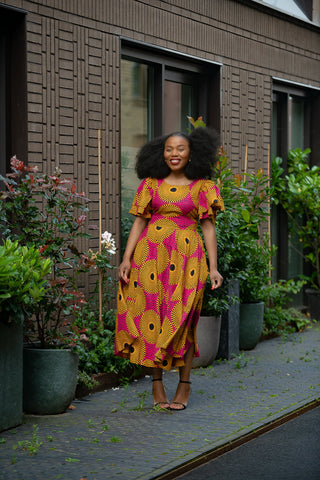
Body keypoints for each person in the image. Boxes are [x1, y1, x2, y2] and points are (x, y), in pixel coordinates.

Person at [115, 127, 224, 410]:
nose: (174, 154)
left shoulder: (203, 187)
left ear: (192, 154)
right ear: (160, 154)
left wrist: (214, 268)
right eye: (169, 149)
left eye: (180, 149)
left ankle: (184, 384)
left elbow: (208, 228)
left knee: (184, 319)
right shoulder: (150, 185)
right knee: (154, 317)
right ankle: (157, 382)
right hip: (149, 256)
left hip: (188, 258)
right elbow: (139, 222)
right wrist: (126, 259)